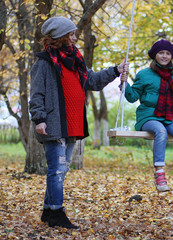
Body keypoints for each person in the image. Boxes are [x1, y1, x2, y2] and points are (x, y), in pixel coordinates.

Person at [29, 16, 129, 229]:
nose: (75, 38)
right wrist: (39, 119)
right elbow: (36, 94)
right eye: (71, 34)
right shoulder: (44, 63)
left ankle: (48, 211)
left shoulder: (76, 60)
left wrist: (115, 70)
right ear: (60, 37)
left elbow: (92, 81)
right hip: (54, 124)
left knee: (62, 170)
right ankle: (57, 213)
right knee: (56, 169)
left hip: (72, 124)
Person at [121, 39, 173, 192]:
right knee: (161, 131)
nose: (164, 56)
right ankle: (159, 175)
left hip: (169, 116)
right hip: (148, 117)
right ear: (155, 55)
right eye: (161, 53)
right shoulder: (144, 74)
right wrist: (124, 84)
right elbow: (132, 97)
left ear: (171, 56)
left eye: (168, 53)